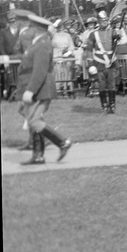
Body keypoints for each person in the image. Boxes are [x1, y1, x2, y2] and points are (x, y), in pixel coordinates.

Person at [15, 11, 72, 165]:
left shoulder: (42, 45)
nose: (29, 30)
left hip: (40, 89)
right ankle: (38, 155)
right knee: (34, 120)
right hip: (37, 88)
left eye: (31, 27)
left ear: (36, 29)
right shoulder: (39, 43)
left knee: (34, 122)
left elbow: (39, 71)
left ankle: (62, 142)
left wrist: (30, 90)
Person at [84, 5, 121, 114]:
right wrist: (90, 64)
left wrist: (118, 36)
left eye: (106, 20)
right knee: (101, 85)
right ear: (98, 22)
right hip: (99, 63)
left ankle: (112, 105)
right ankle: (104, 106)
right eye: (102, 20)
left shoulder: (113, 32)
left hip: (111, 62)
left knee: (112, 84)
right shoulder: (93, 34)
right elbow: (89, 50)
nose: (104, 22)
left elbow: (118, 39)